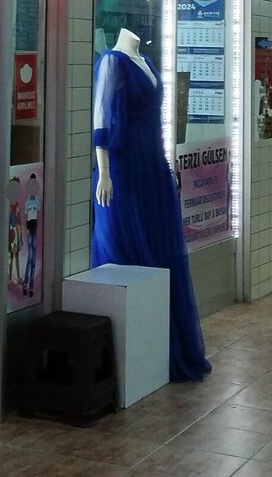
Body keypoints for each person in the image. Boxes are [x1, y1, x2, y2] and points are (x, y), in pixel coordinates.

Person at [92, 28, 211, 382]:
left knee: (160, 252)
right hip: (124, 170)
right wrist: (104, 173)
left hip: (153, 167)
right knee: (125, 249)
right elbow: (101, 119)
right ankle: (129, 354)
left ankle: (162, 347)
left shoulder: (146, 61)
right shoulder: (112, 62)